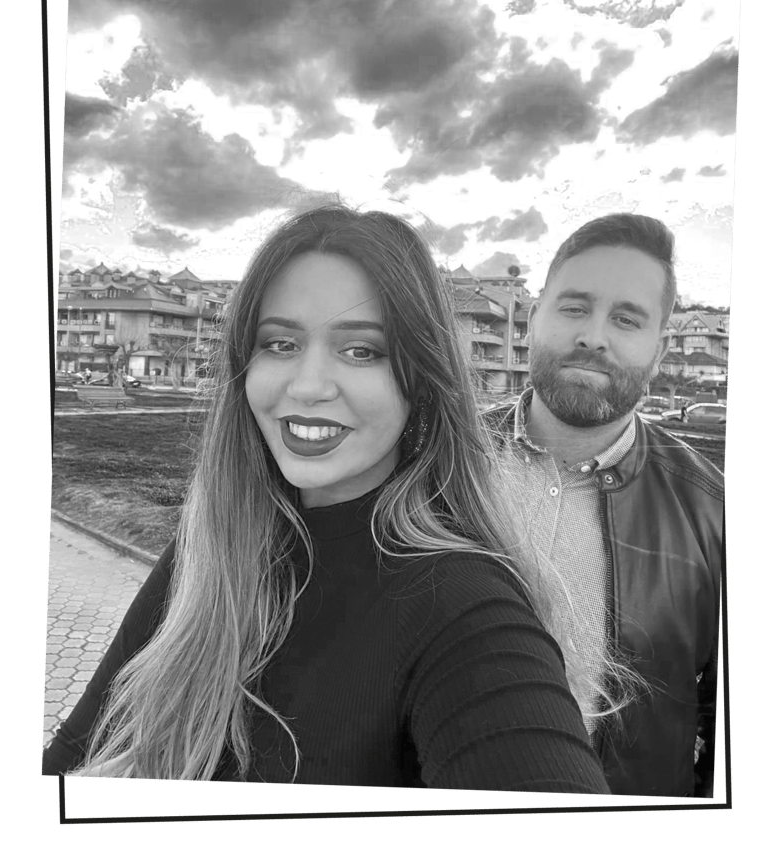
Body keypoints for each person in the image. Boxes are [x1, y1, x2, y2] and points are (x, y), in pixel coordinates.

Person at [42, 205, 612, 792]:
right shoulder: (215, 546)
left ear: (421, 379)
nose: (308, 386)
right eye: (279, 343)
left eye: (361, 350)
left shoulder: (465, 604)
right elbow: (76, 751)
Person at [488, 214, 723, 798]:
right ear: (535, 319)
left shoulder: (716, 513)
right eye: (574, 307)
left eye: (626, 319)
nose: (594, 336)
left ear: (659, 350)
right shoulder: (432, 462)